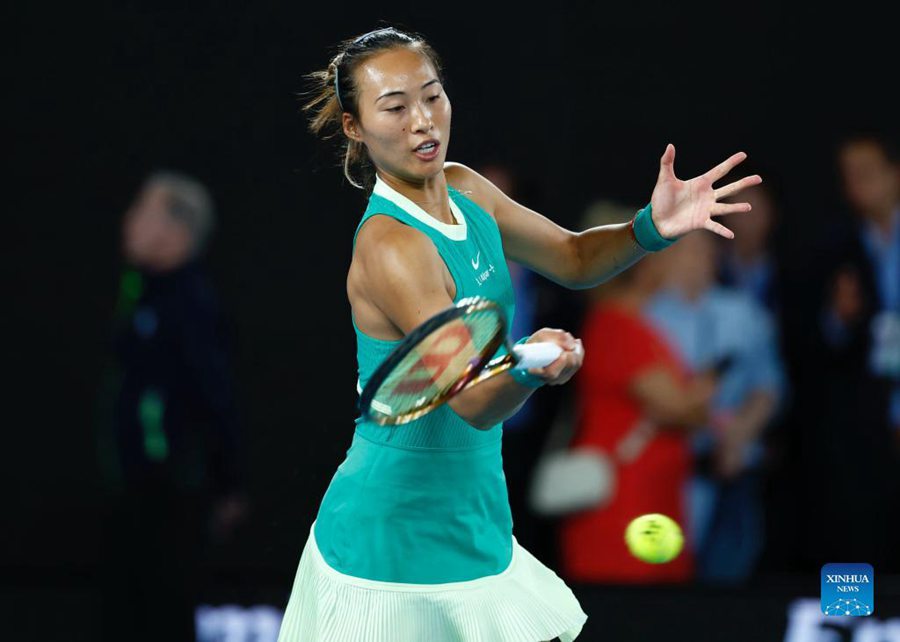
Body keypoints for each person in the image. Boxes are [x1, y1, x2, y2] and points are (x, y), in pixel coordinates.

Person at [277, 25, 760, 642]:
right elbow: (475, 400)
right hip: (389, 540)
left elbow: (575, 258)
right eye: (394, 107)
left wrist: (651, 229)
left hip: (475, 514)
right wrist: (532, 367)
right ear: (354, 127)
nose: (422, 120)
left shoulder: (469, 188)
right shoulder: (391, 246)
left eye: (432, 96)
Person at [95, 171, 248, 642]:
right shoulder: (141, 293)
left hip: (171, 495)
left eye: (142, 210)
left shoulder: (192, 306)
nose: (128, 221)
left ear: (175, 230)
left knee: (163, 614)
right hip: (135, 494)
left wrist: (227, 483)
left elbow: (216, 397)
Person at [553, 201, 717, 585]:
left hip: (653, 505)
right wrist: (698, 399)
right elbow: (679, 409)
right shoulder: (615, 326)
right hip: (624, 510)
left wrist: (691, 405)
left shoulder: (636, 326)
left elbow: (683, 408)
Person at [645, 231, 786, 583]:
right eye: (684, 252)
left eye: (704, 252)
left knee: (728, 582)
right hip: (668, 469)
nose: (695, 261)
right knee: (662, 584)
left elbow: (768, 385)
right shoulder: (646, 315)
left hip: (732, 469)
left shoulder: (742, 312)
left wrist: (739, 433)